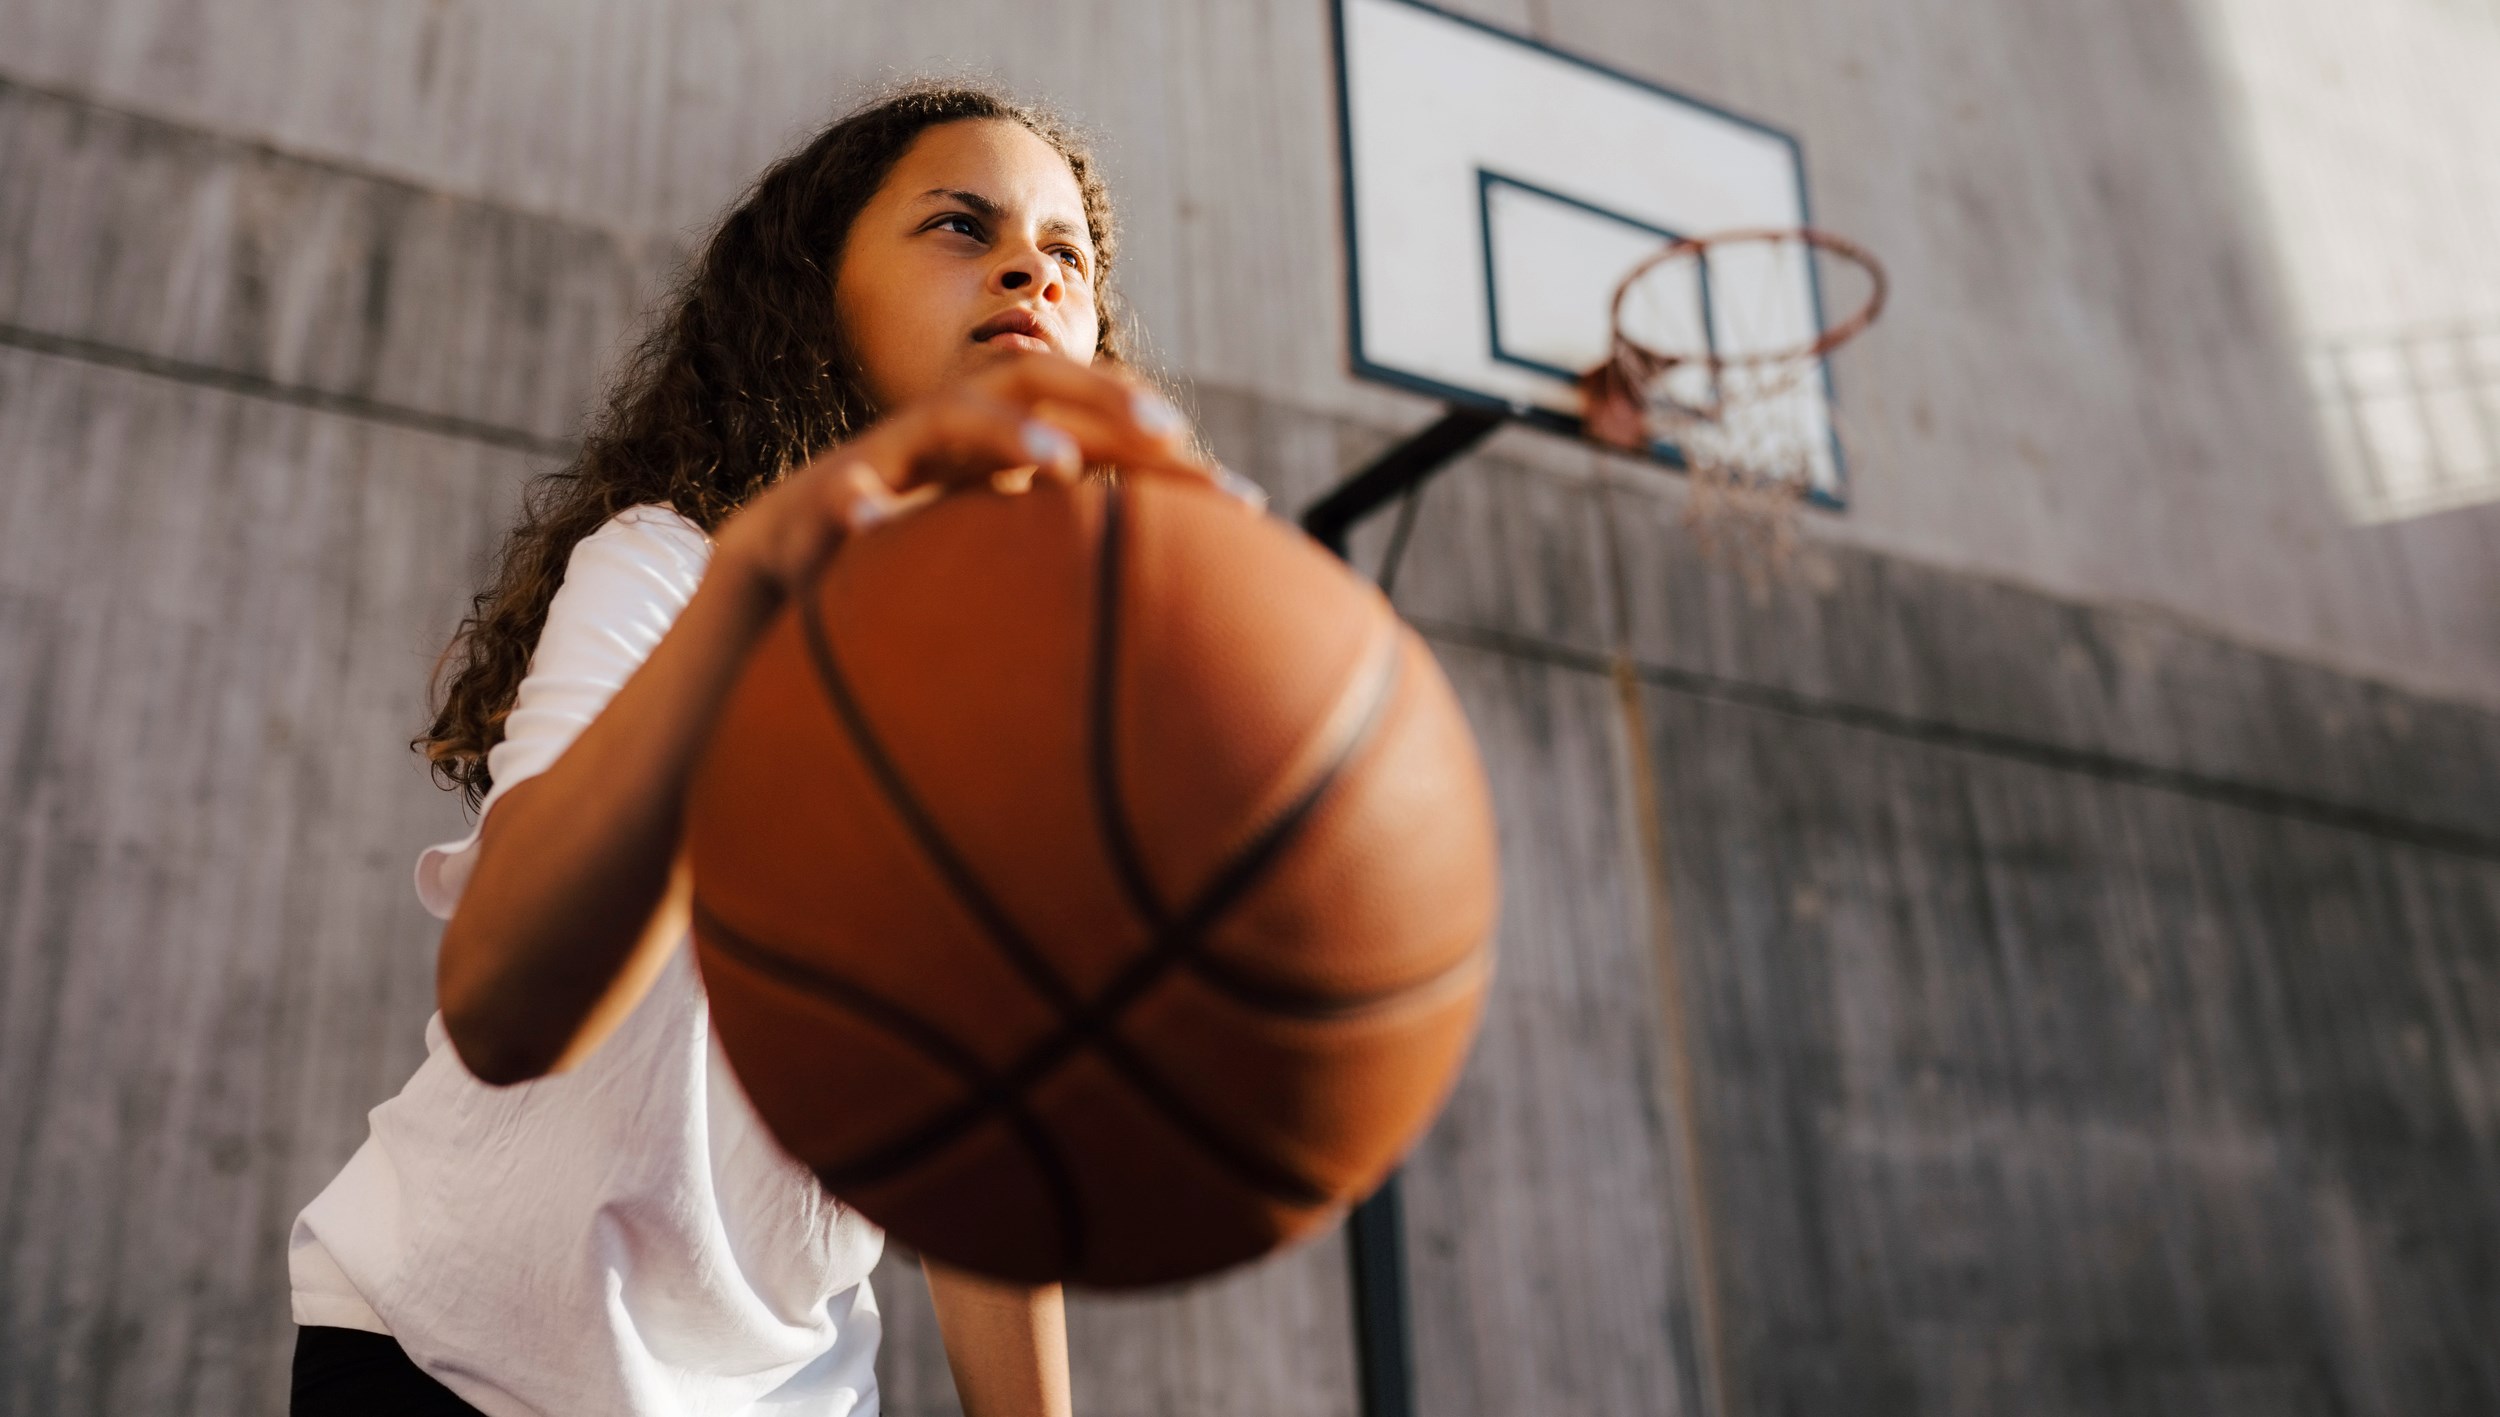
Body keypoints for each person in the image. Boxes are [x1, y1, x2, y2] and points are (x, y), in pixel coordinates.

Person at [285, 81, 1235, 1417]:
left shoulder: (1032, 726)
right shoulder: (676, 572)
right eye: (963, 226)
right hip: (451, 1359)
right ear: (814, 306)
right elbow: (513, 1007)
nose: (1032, 263)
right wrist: (799, 559)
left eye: (1069, 253)